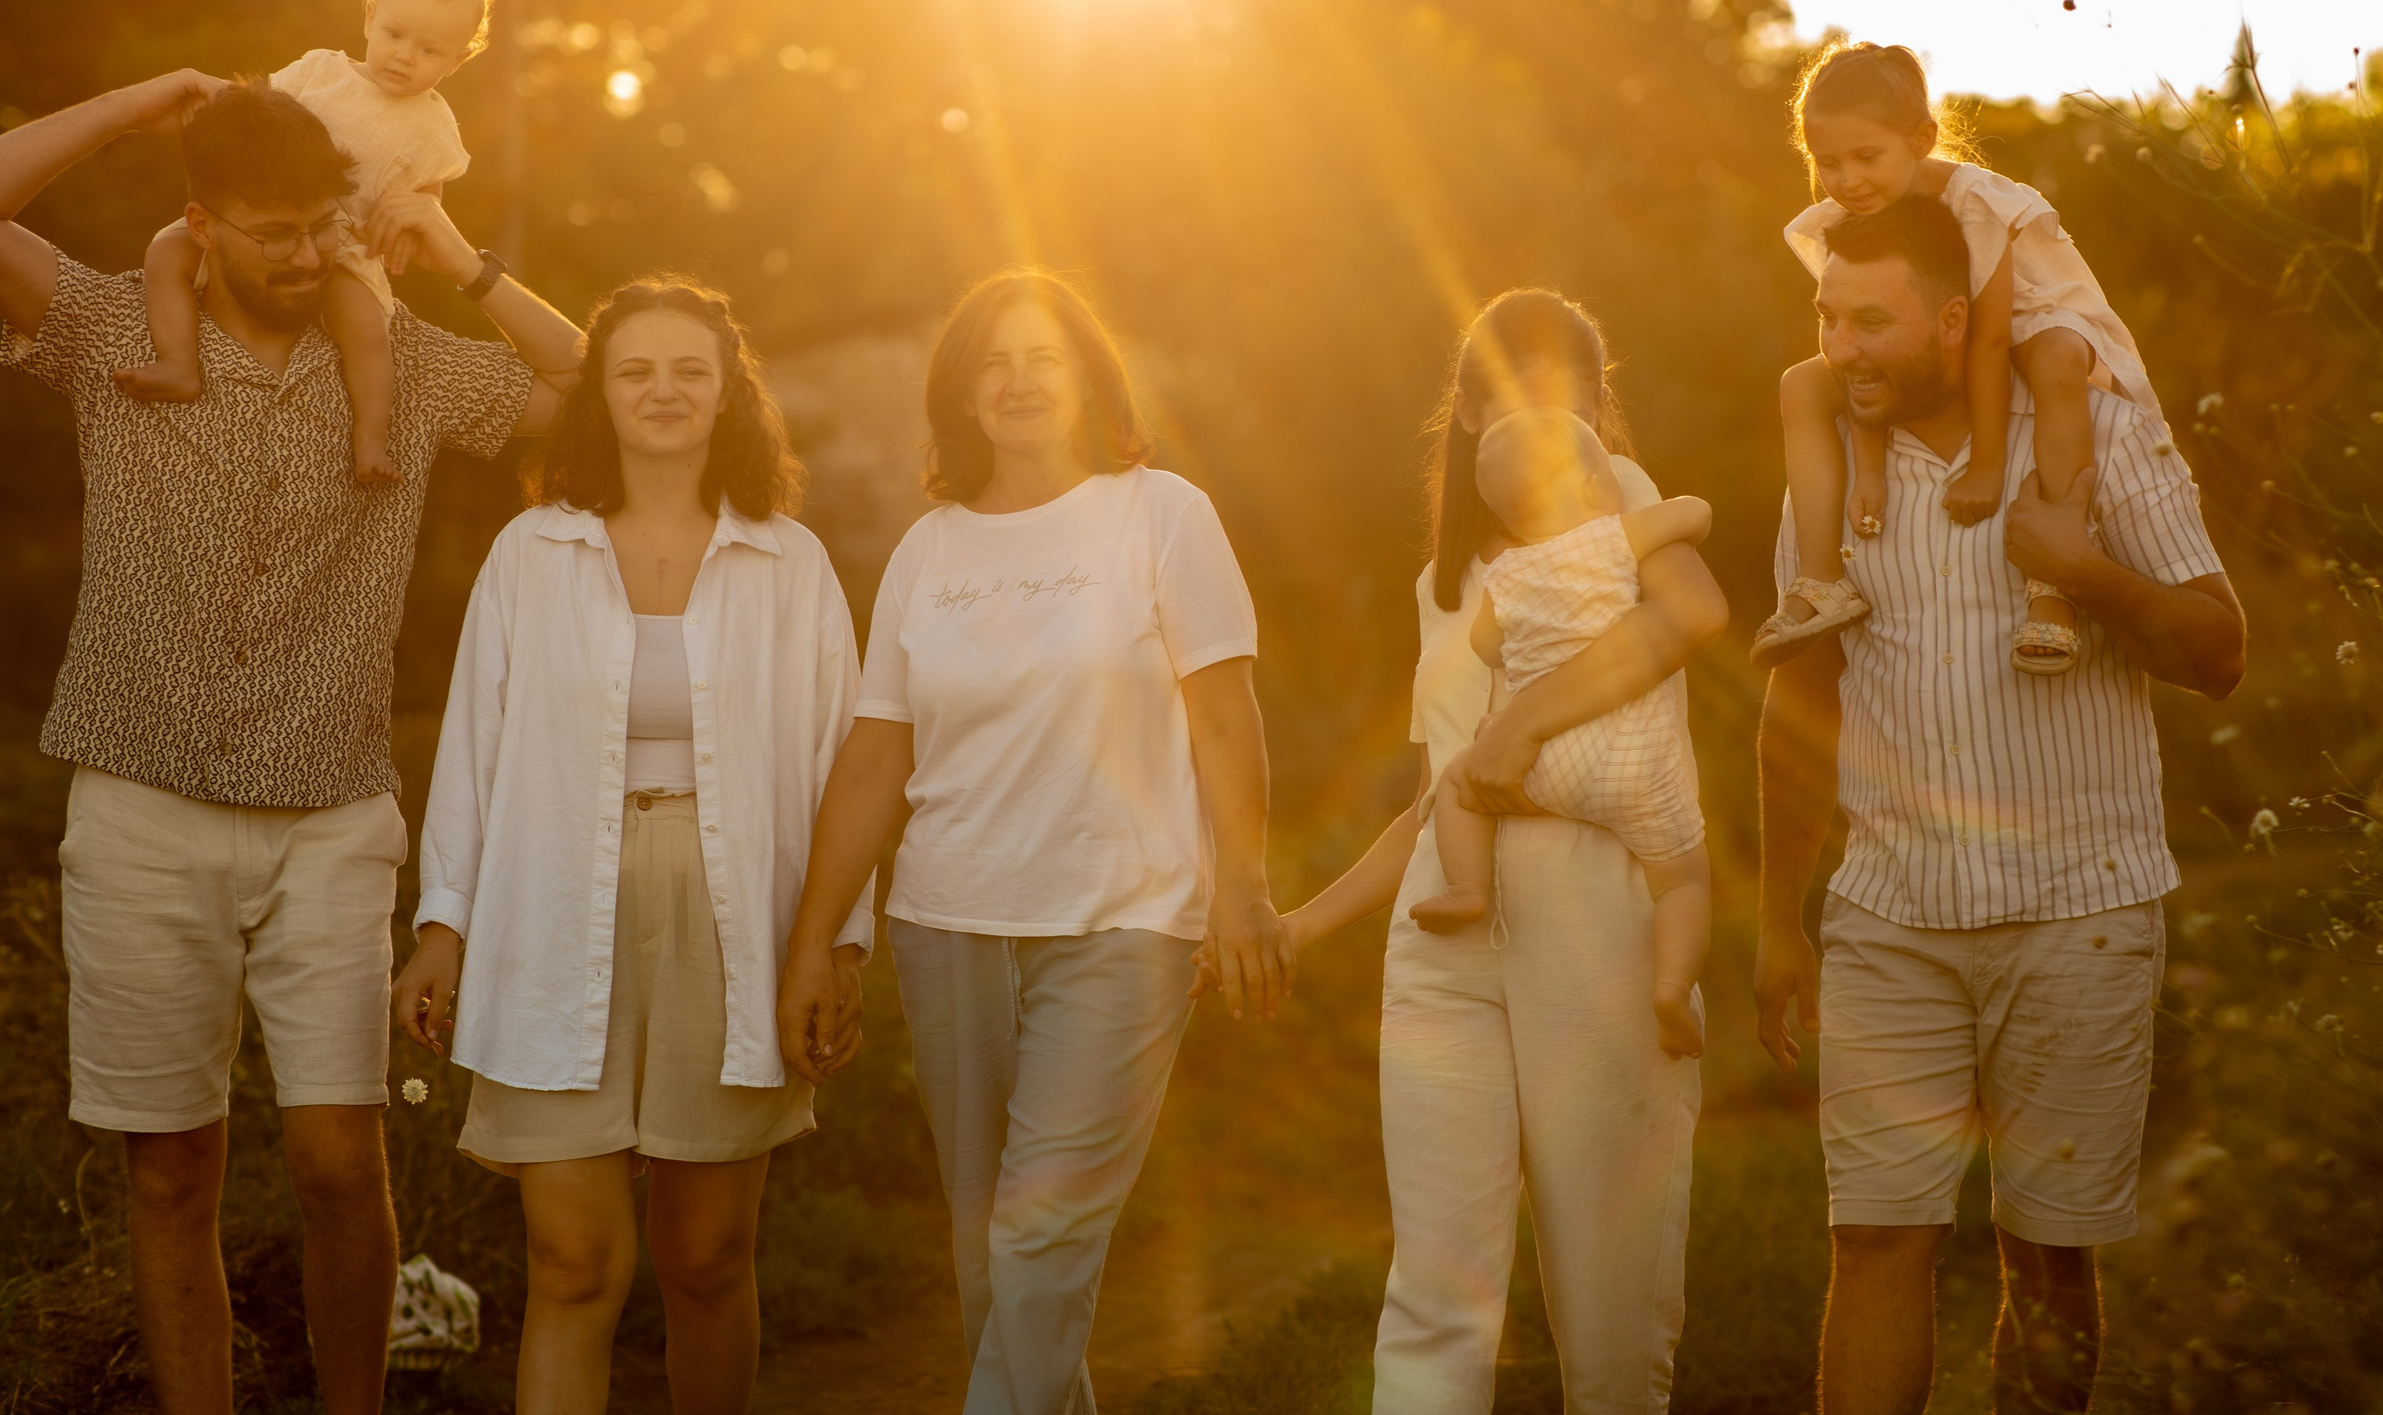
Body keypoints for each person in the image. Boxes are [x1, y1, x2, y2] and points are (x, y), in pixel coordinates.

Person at [0, 73, 585, 1415]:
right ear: (199, 221)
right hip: (140, 806)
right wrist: (132, 106)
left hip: (330, 811)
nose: (300, 252)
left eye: (318, 225)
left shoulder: (408, 357)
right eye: (267, 228)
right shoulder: (107, 326)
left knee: (337, 1159)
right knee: (170, 1166)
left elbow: (586, 387)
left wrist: (456, 254)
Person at [1750, 193, 2246, 1415]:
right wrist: (1775, 922)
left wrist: (2078, 571)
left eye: (1872, 319)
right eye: (1826, 316)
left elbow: (2218, 649)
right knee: (1871, 1240)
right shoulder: (1827, 480)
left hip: (2077, 913)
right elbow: (1801, 705)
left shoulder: (2092, 433)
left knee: (2046, 1257)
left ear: (1953, 317)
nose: (1843, 346)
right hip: (1889, 919)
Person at [774, 269, 1288, 1415]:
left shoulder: (1162, 513)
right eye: (992, 362)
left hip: (1124, 920)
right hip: (947, 923)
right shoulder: (929, 549)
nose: (1016, 381)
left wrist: (1242, 888)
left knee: (1042, 1238)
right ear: (959, 393)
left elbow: (1222, 712)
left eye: (1042, 357)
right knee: (989, 1258)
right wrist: (820, 939)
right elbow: (874, 758)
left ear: (1088, 379)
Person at [393, 279, 865, 1415]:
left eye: (689, 371)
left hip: (733, 917)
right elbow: (475, 746)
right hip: (549, 907)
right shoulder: (531, 551)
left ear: (726, 394)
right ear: (598, 395)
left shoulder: (790, 561)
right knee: (573, 1264)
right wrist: (441, 925)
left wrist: (836, 945)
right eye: (635, 371)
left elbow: (841, 767)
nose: (663, 391)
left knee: (705, 1262)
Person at [1269, 289, 1727, 1413]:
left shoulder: (1612, 496)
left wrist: (1521, 725)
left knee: (1606, 1296)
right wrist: (1304, 922)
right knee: (1436, 1285)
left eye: (1568, 392)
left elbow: (1688, 615)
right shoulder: (1443, 584)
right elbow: (1439, 797)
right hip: (1448, 926)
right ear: (1468, 412)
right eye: (1513, 391)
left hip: (1589, 904)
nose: (1541, 413)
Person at [1753, 41, 2159, 676]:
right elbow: (1860, 354)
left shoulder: (1975, 204)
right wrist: (1869, 470)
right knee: (1803, 384)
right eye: (1828, 162)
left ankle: (2053, 589)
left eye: (1866, 157)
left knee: (2055, 358)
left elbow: (1992, 337)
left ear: (1921, 139)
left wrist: (1989, 465)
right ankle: (1822, 582)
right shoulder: (1848, 218)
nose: (1848, 180)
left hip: (2024, 312)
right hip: (1931, 332)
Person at [1404, 405, 1717, 1059]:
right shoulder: (1616, 536)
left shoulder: (1507, 572)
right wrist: (1666, 516)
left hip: (1545, 768)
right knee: (1683, 879)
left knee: (1459, 775)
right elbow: (1695, 512)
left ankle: (1466, 888)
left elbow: (1488, 646)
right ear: (1593, 486)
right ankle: (1671, 987)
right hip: (1636, 754)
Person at [121, 0, 489, 486]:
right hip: (264, 226)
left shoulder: (435, 125)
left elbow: (429, 192)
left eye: (430, 50)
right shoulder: (320, 70)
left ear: (458, 60)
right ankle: (179, 363)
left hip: (346, 248)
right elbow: (259, 108)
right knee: (166, 251)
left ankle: (369, 438)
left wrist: (412, 224)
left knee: (366, 331)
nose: (405, 56)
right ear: (369, 17)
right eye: (394, 34)